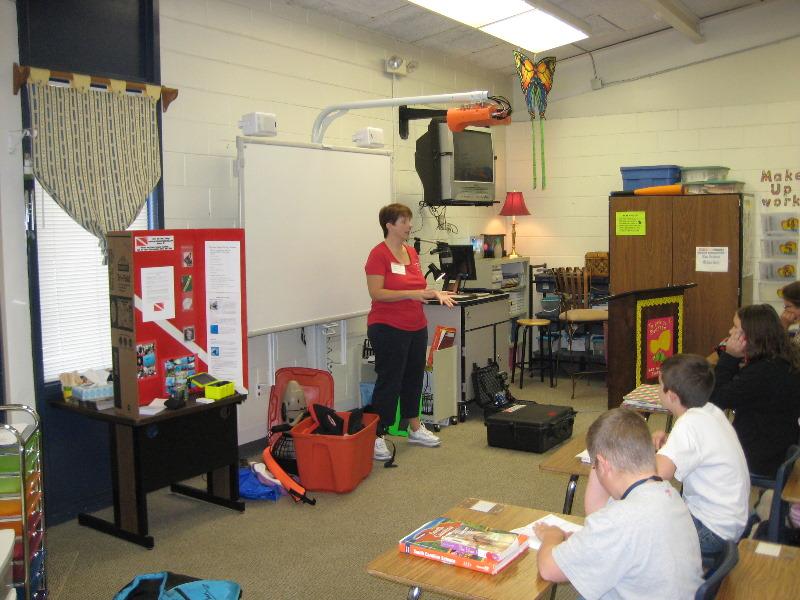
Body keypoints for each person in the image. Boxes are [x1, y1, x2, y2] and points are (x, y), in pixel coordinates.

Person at [535, 408, 703, 600]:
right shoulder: (668, 494)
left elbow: (548, 569)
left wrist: (552, 536)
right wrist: (590, 540)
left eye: (595, 466)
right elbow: (604, 518)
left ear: (603, 465)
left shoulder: (620, 520)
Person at [365, 203, 455, 461]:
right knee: (389, 380)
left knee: (414, 377)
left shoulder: (411, 253)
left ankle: (415, 427)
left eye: (409, 221)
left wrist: (433, 292)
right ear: (389, 225)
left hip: (416, 326)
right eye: (403, 221)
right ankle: (376, 435)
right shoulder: (378, 255)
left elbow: (419, 286)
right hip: (387, 328)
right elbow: (377, 293)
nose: (409, 226)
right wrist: (411, 293)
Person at [651, 354, 750, 558]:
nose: (657, 389)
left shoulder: (688, 425)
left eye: (660, 385)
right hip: (731, 522)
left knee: (643, 535)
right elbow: (699, 446)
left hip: (712, 530)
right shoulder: (709, 410)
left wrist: (635, 453)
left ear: (672, 396)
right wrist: (671, 441)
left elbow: (657, 474)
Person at [709, 304, 800, 478]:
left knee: (698, 455)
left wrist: (729, 357)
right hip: (781, 447)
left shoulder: (763, 372)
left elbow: (716, 399)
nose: (730, 332)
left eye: (735, 328)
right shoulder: (782, 358)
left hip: (760, 457)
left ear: (750, 336)